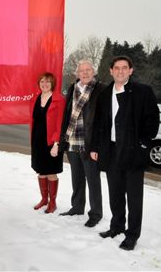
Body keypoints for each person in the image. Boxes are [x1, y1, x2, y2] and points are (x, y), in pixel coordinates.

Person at [90, 55, 159, 251]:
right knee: (115, 193)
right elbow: (98, 124)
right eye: (116, 68)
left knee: (134, 198)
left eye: (124, 68)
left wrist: (143, 144)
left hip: (133, 152)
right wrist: (95, 147)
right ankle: (116, 227)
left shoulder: (142, 92)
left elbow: (153, 120)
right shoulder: (104, 94)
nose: (120, 71)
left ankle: (132, 235)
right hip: (111, 151)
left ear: (131, 70)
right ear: (110, 71)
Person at [58, 60, 105, 227]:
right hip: (72, 140)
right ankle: (77, 207)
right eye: (81, 71)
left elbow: (102, 121)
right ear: (77, 73)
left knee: (92, 179)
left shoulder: (101, 89)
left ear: (94, 72)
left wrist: (97, 146)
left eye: (88, 70)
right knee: (76, 178)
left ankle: (95, 214)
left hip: (89, 143)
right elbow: (67, 115)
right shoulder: (73, 88)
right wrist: (62, 138)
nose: (84, 73)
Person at [31, 72, 66, 213]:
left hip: (52, 142)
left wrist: (56, 144)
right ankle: (44, 199)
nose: (44, 84)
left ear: (52, 84)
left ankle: (53, 202)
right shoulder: (36, 98)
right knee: (40, 172)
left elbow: (60, 123)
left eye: (48, 82)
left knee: (51, 172)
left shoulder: (59, 100)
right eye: (42, 82)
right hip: (37, 141)